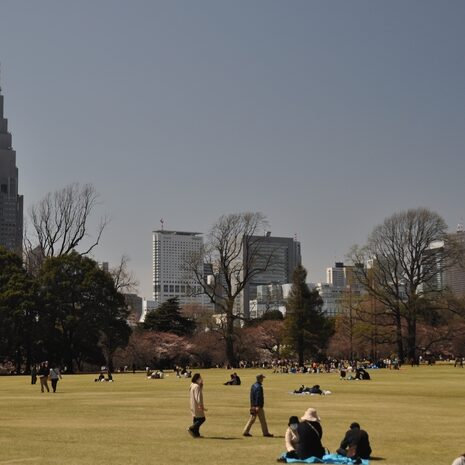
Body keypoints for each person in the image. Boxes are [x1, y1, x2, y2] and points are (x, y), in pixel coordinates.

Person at [188, 373, 206, 438]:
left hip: (192, 404)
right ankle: (192, 428)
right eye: (200, 378)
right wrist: (200, 405)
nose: (201, 379)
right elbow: (198, 397)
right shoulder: (196, 387)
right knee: (202, 419)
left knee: (196, 418)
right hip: (197, 405)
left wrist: (201, 386)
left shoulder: (192, 385)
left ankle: (196, 434)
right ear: (197, 379)